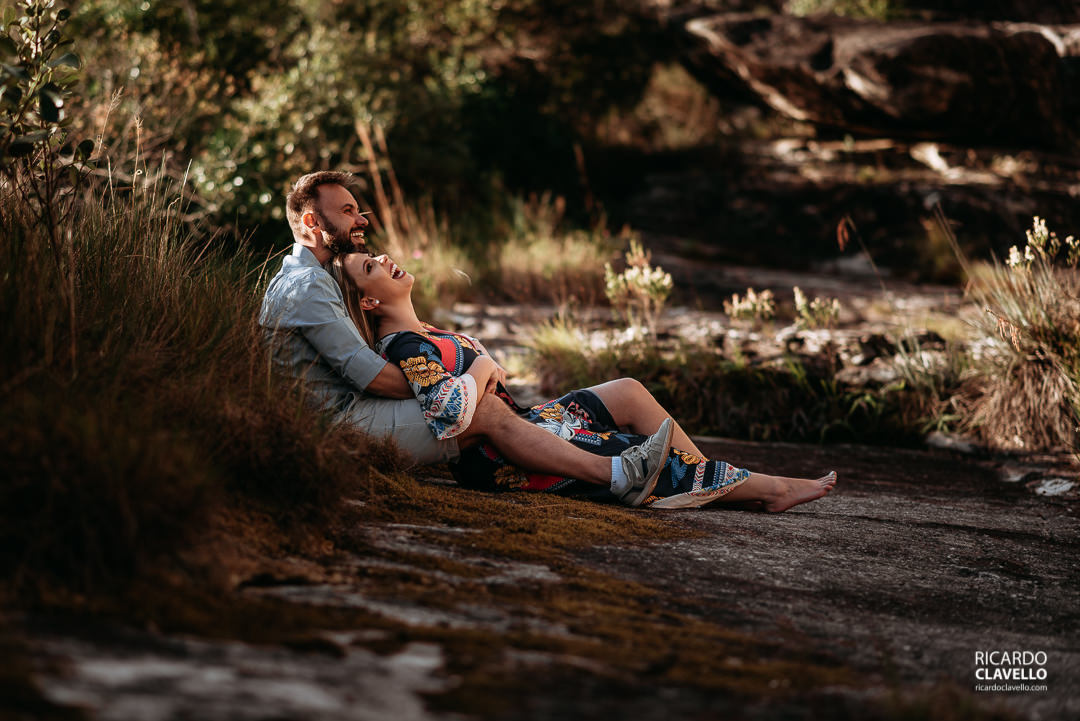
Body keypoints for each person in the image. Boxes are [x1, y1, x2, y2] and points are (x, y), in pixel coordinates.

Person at [259, 171, 673, 507]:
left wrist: (453, 381)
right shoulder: (308, 285)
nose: (363, 220)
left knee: (486, 407)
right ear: (312, 223)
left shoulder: (316, 277)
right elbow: (374, 378)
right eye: (348, 211)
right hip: (337, 427)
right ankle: (618, 475)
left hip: (348, 414)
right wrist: (464, 381)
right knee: (484, 411)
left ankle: (649, 469)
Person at [331, 249, 839, 510]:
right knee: (633, 451)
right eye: (372, 265)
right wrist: (483, 365)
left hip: (524, 422)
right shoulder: (402, 345)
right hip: (502, 453)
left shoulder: (424, 331)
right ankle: (768, 489)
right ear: (369, 301)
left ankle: (710, 480)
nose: (387, 260)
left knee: (628, 392)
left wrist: (482, 364)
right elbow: (448, 412)